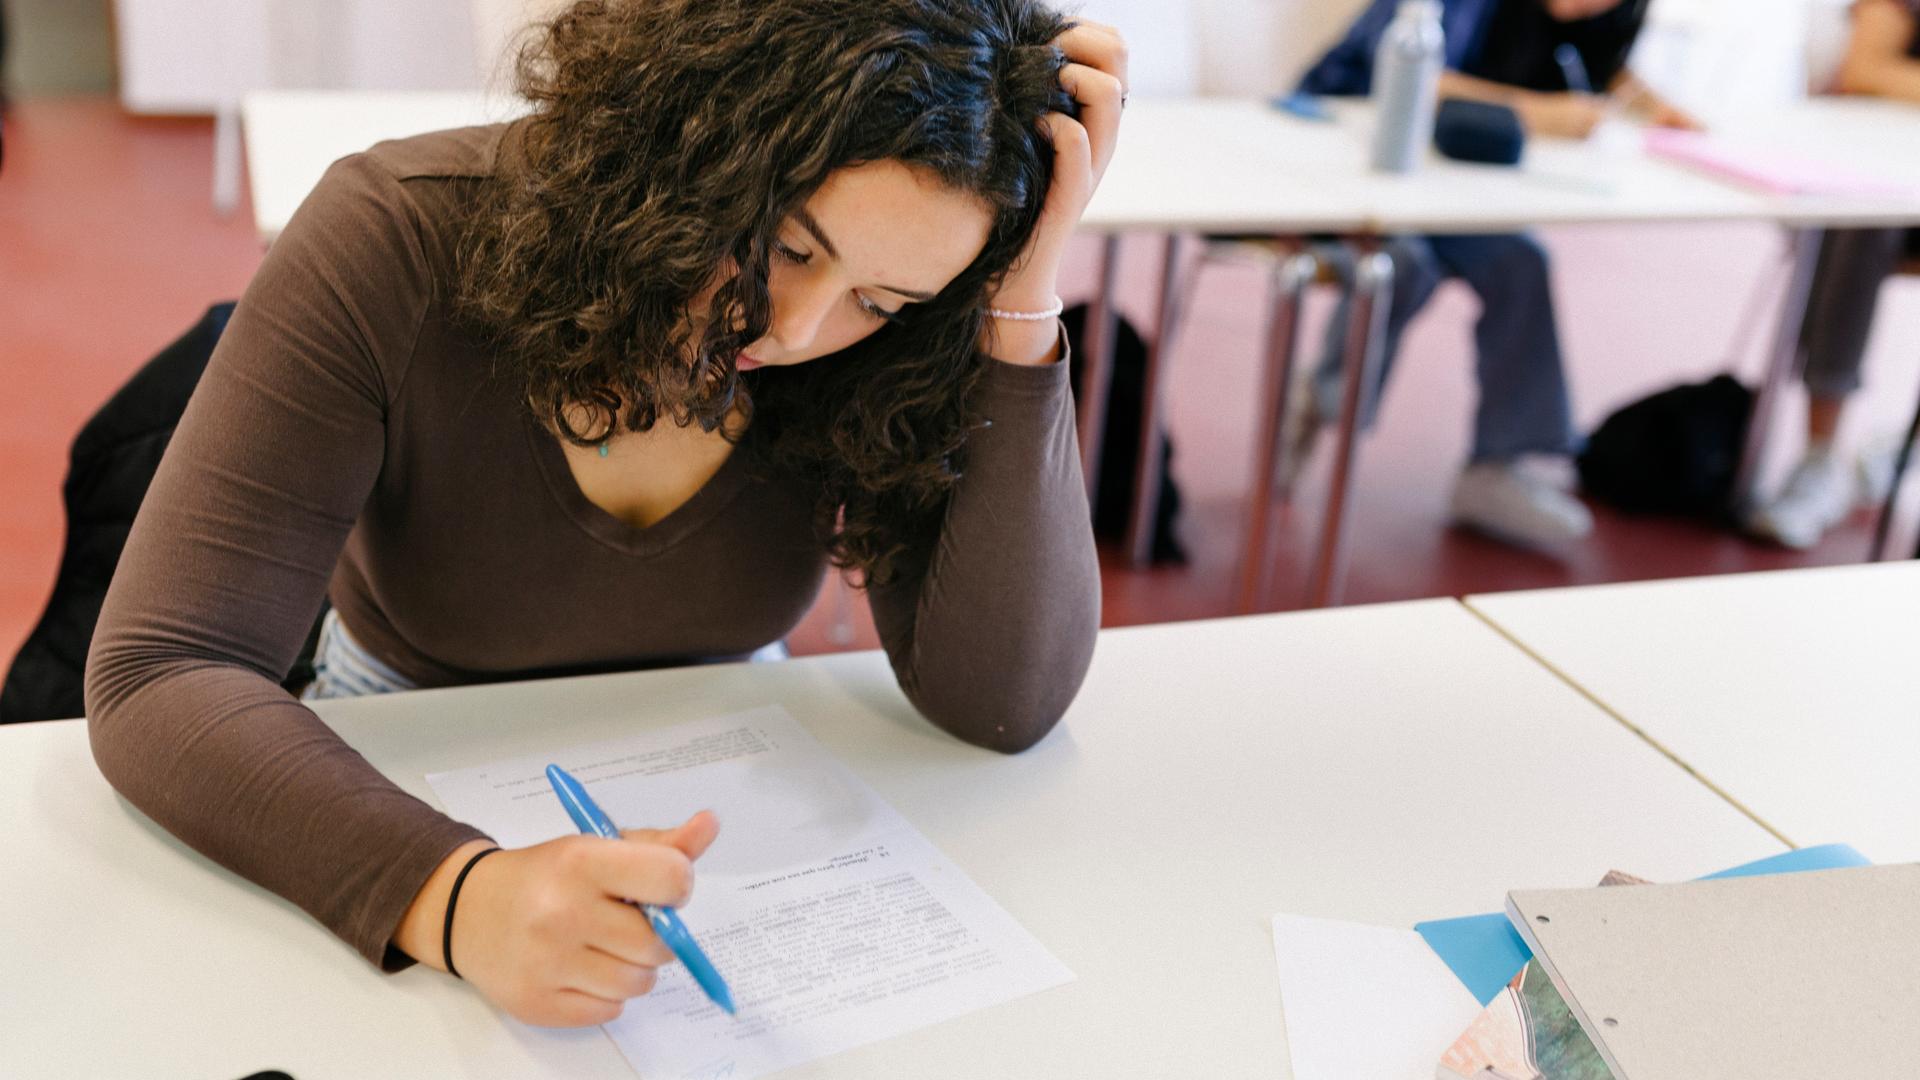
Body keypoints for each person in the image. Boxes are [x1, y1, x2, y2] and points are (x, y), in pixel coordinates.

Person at [84, 0, 1120, 1029]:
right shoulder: (397, 232)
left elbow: (1002, 702)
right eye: (788, 247)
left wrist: (1020, 297)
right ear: (700, 131)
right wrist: (456, 894)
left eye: (882, 301)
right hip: (384, 750)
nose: (797, 330)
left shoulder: (895, 343)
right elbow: (163, 669)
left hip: (720, 771)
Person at [1292, 0, 1698, 546]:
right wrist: (1538, 112)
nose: (1595, 8)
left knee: (1521, 260)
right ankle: (1319, 402)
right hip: (1342, 165)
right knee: (1402, 263)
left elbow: (1595, 71)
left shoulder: (1602, 18)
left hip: (1451, 179)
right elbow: (1413, 75)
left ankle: (1497, 465)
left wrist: (1650, 106)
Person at [1748, 0, 1920, 549]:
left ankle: (1903, 447)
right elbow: (1864, 70)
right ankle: (1819, 457)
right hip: (1875, 178)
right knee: (1859, 225)